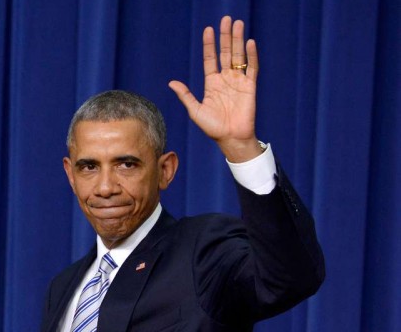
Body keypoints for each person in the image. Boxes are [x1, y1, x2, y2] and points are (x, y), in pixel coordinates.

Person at [41, 16, 325, 332]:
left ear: (166, 170)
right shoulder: (63, 288)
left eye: (127, 165)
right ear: (70, 174)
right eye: (89, 167)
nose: (105, 187)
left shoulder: (205, 253)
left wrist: (241, 147)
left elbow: (290, 278)